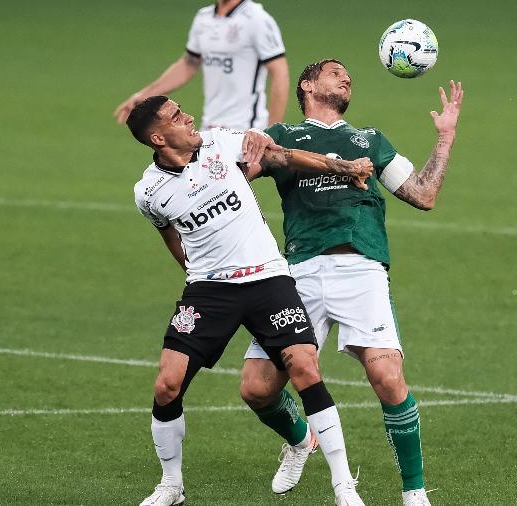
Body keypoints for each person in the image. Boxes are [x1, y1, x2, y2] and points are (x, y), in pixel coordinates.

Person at [238, 59, 463, 506]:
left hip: (361, 268)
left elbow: (423, 194)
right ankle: (301, 439)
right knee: (257, 388)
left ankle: (414, 493)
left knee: (387, 375)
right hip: (298, 273)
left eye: (349, 76)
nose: (346, 78)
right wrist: (251, 143)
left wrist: (445, 138)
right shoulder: (283, 136)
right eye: (335, 72)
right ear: (307, 84)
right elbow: (244, 173)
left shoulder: (369, 140)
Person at [127, 95, 371, 506]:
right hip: (209, 289)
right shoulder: (148, 192)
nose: (187, 117)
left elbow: (281, 154)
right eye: (175, 116)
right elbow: (168, 231)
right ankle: (172, 485)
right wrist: (190, 270)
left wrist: (343, 168)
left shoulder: (219, 143)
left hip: (267, 279)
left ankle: (344, 487)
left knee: (305, 367)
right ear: (157, 137)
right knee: (167, 385)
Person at [114, 0, 288, 130]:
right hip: (209, 128)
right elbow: (188, 64)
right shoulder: (203, 18)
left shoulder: (257, 19)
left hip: (245, 129)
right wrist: (144, 95)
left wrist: (270, 132)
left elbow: (280, 74)